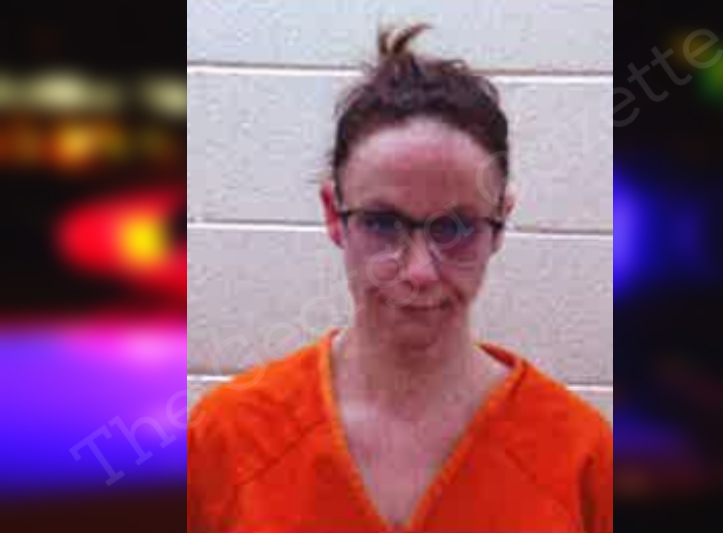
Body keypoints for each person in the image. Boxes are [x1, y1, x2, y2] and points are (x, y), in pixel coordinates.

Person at [188, 24, 613, 533]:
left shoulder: (581, 459)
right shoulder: (224, 440)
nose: (419, 272)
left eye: (455, 228)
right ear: (333, 214)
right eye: (383, 223)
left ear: (500, 221)